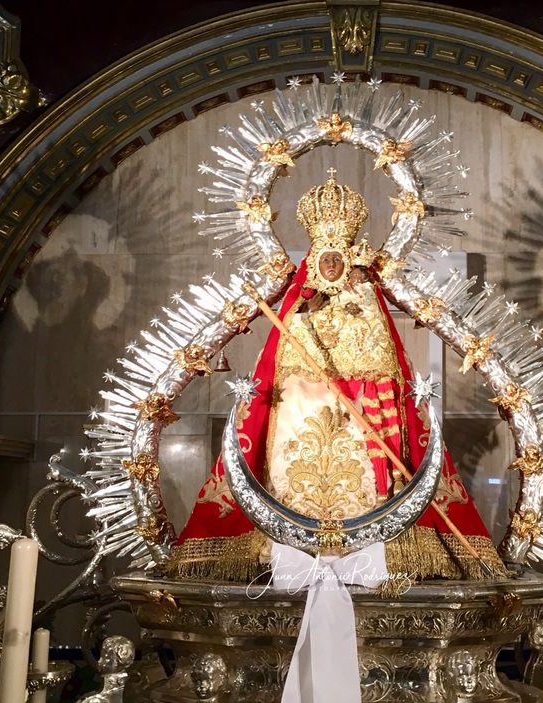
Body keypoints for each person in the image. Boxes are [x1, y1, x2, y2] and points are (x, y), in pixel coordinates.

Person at [169, 169, 505, 583]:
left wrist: (361, 375)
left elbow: (382, 365)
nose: (330, 265)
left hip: (359, 410)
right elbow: (277, 368)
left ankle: (368, 544)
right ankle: (286, 544)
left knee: (363, 475)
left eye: (337, 259)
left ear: (347, 262)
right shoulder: (297, 308)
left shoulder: (364, 300)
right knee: (290, 463)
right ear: (313, 261)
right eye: (324, 259)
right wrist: (304, 321)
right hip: (298, 408)